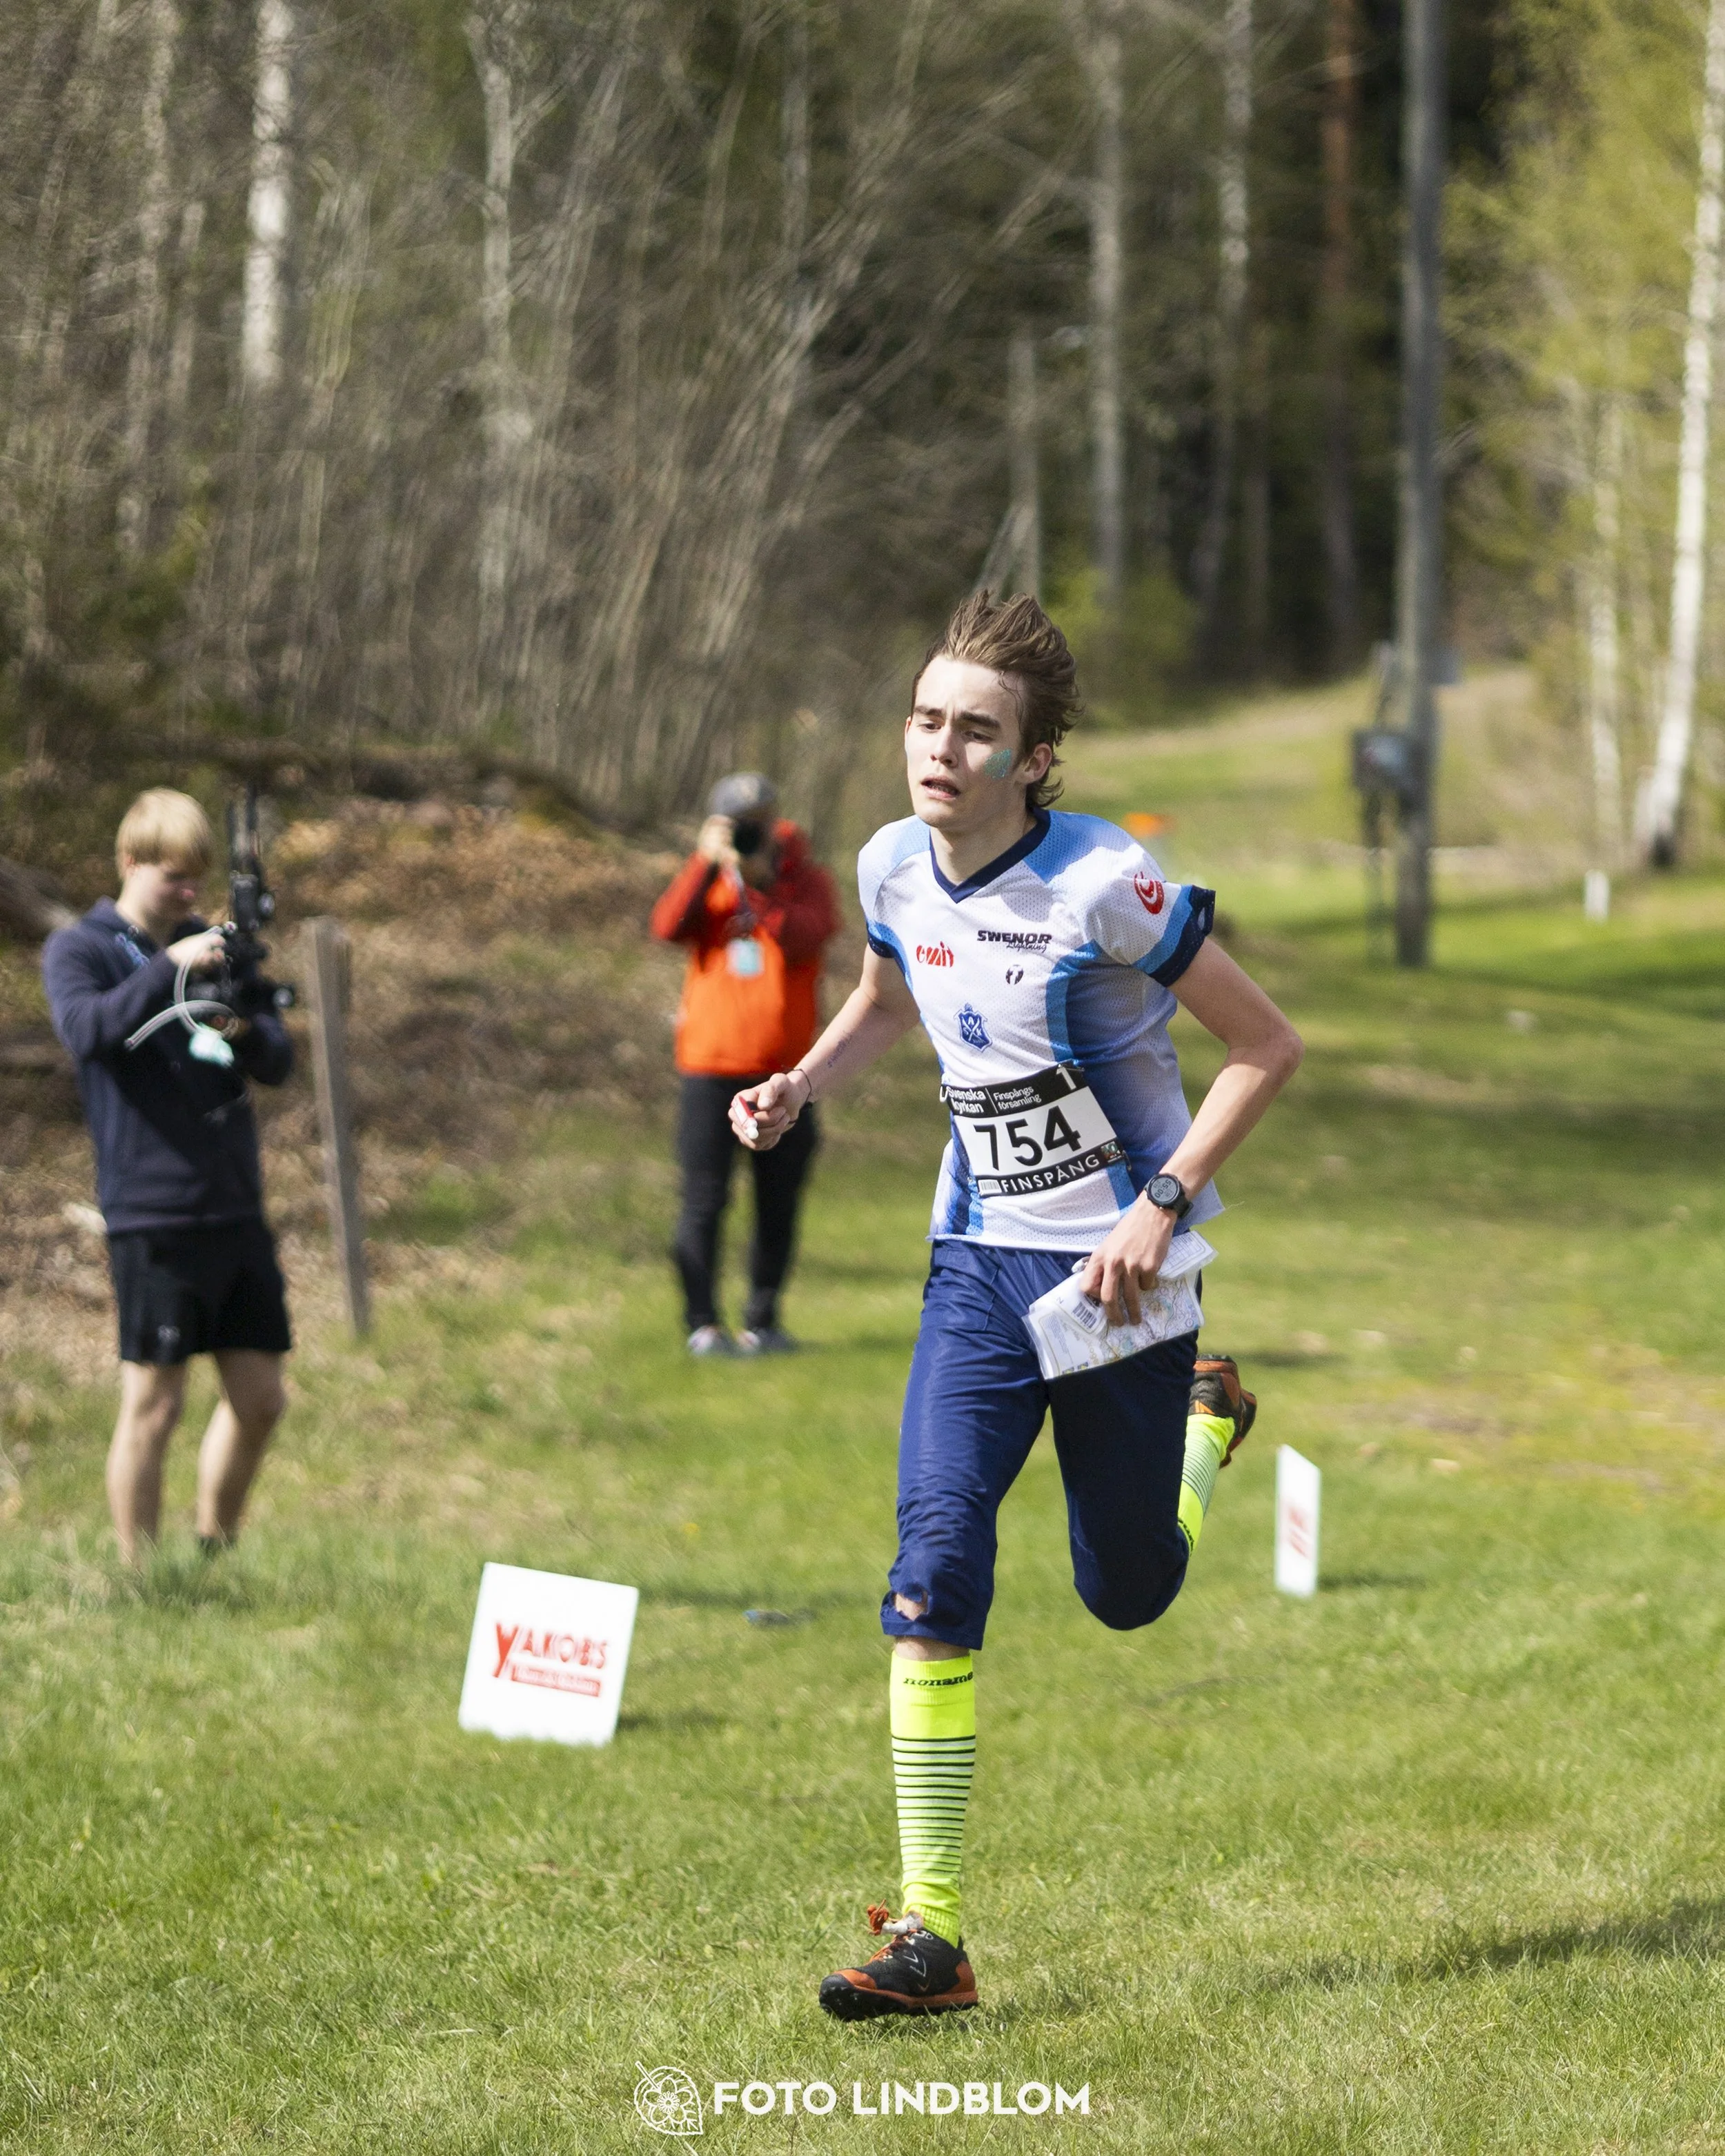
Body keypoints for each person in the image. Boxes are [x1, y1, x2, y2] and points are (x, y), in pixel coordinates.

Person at [733, 593, 1303, 2017]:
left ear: (1032, 758)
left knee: (1124, 1591)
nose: (938, 748)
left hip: (1120, 1282)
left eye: (974, 730)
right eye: (926, 719)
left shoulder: (1109, 881)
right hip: (976, 1269)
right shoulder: (886, 865)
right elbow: (882, 1003)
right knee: (931, 1561)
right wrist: (802, 1078)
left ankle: (1196, 1428)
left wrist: (1154, 1205)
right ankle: (930, 1935)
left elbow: (1262, 1045)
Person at [42, 789, 294, 1564]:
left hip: (233, 1206)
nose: (188, 893)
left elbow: (279, 1059)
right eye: (173, 876)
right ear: (130, 861)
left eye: (196, 879)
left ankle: (215, 1548)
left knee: (259, 1400)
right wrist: (169, 970)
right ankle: (138, 1573)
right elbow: (88, 1031)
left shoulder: (210, 944)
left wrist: (240, 1023)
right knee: (154, 1403)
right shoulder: (79, 947)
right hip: (153, 1211)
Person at [651, 771, 840, 1356]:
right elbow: (666, 928)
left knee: (777, 1200)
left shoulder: (806, 880)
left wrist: (759, 885)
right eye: (738, 822)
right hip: (710, 1068)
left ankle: (763, 1318)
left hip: (785, 1074)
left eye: (757, 820)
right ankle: (702, 1322)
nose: (749, 832)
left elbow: (806, 937)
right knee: (704, 1197)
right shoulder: (707, 879)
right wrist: (705, 864)